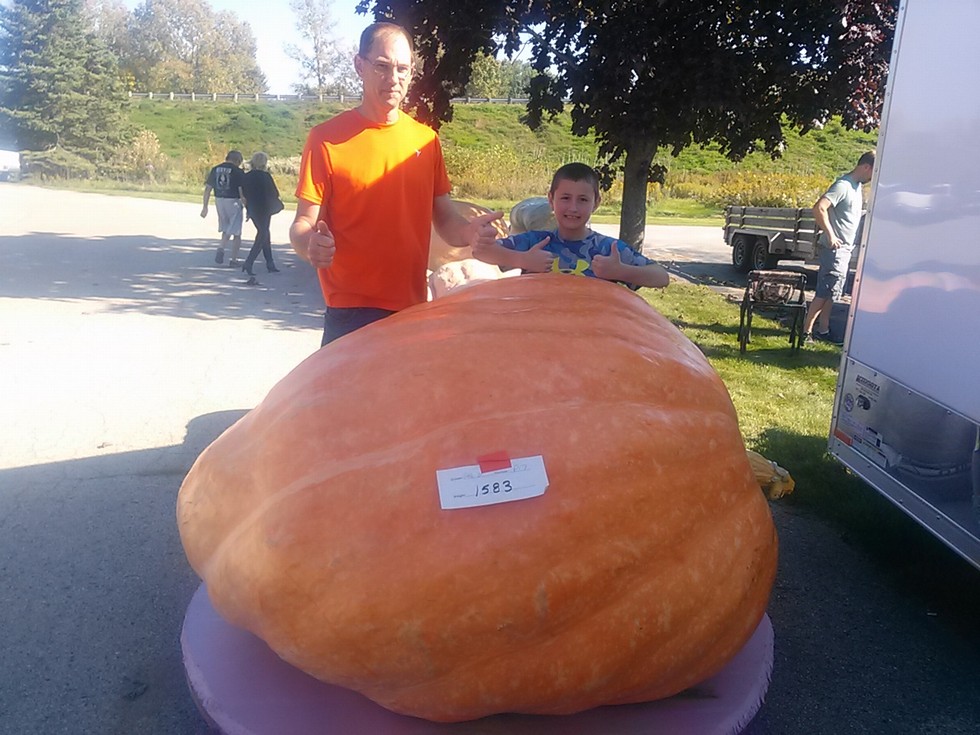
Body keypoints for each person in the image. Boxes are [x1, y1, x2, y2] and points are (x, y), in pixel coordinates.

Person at [290, 21, 502, 346]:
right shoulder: (325, 140)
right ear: (359, 66)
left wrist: (470, 232)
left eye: (402, 69)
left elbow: (445, 219)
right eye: (382, 66)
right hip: (349, 311)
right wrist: (309, 245)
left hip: (410, 309)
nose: (393, 78)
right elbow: (303, 223)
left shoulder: (426, 141)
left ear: (412, 71)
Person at [472, 162, 670, 290]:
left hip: (591, 335)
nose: (573, 208)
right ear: (551, 200)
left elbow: (661, 277)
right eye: (565, 198)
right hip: (538, 333)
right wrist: (522, 259)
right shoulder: (536, 242)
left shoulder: (608, 250)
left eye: (583, 199)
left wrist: (620, 271)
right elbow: (482, 253)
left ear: (596, 203)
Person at [802, 150, 876, 345]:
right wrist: (831, 235)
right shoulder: (843, 185)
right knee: (824, 291)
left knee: (833, 293)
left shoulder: (856, 187)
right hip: (834, 249)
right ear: (866, 167)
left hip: (844, 250)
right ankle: (806, 332)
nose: (873, 178)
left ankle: (823, 330)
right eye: (873, 172)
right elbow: (819, 207)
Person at [241, 151, 282, 280]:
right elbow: (274, 193)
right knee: (263, 233)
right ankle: (249, 262)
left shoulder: (246, 176)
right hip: (265, 208)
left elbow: (244, 194)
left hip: (253, 208)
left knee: (264, 233)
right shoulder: (266, 176)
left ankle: (270, 263)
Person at [201, 150, 246, 266]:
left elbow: (208, 189)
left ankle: (223, 247)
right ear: (238, 160)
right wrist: (247, 205)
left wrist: (205, 206)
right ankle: (231, 257)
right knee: (236, 231)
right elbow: (241, 190)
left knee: (226, 227)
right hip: (234, 201)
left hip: (219, 200)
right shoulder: (238, 171)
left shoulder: (215, 169)